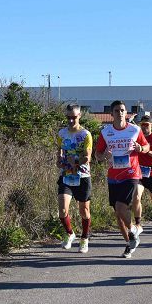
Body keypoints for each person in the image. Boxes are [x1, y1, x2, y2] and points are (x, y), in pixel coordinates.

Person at [94, 100, 150, 258]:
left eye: (122, 110)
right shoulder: (106, 132)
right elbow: (97, 155)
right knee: (118, 215)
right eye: (117, 110)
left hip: (131, 173)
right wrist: (104, 156)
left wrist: (140, 148)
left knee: (120, 206)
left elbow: (146, 147)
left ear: (126, 113)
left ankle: (133, 230)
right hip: (113, 176)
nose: (120, 113)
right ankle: (130, 242)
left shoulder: (134, 130)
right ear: (111, 114)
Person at [56, 104, 93, 253]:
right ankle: (70, 234)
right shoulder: (61, 133)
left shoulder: (85, 134)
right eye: (68, 117)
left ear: (79, 116)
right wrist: (59, 160)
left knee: (84, 211)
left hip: (82, 176)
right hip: (66, 175)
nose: (71, 120)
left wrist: (76, 161)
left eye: (74, 117)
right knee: (62, 209)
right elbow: (59, 151)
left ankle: (84, 238)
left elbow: (87, 157)